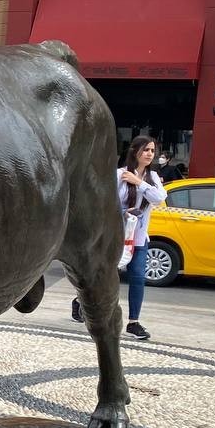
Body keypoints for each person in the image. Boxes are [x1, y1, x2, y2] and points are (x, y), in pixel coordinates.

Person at [72, 136, 166, 340]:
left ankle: (134, 322)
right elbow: (105, 203)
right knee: (104, 274)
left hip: (139, 237)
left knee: (138, 277)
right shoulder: (118, 175)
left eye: (152, 150)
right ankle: (81, 300)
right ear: (135, 152)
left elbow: (159, 199)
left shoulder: (153, 178)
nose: (150, 154)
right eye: (146, 150)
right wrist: (123, 212)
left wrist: (139, 183)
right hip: (115, 236)